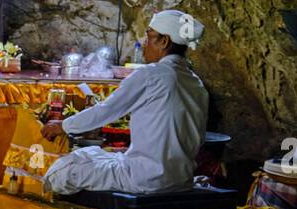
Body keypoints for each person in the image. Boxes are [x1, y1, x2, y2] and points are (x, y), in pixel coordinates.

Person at [41, 10, 210, 195]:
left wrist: (62, 126)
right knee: (87, 155)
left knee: (59, 173)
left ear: (164, 42)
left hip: (145, 179)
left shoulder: (152, 74)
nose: (145, 45)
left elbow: (106, 110)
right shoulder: (196, 83)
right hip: (180, 180)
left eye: (149, 37)